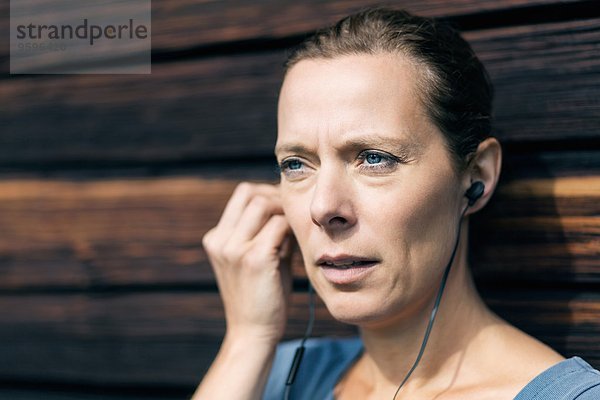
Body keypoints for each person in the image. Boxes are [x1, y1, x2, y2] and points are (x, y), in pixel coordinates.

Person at [192, 7, 600, 400]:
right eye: (296, 164)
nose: (323, 207)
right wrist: (247, 339)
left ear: (476, 177)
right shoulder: (272, 376)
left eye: (374, 158)